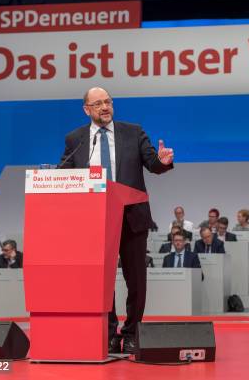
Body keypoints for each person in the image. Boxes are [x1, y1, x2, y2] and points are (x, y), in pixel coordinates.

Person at [59, 87, 174, 355]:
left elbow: (152, 164)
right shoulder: (75, 138)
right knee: (102, 281)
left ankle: (132, 332)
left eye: (108, 102)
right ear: (86, 109)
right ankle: (109, 333)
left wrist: (163, 162)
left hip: (132, 217)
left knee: (136, 279)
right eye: (97, 103)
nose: (104, 107)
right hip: (94, 221)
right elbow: (63, 172)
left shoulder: (133, 132)